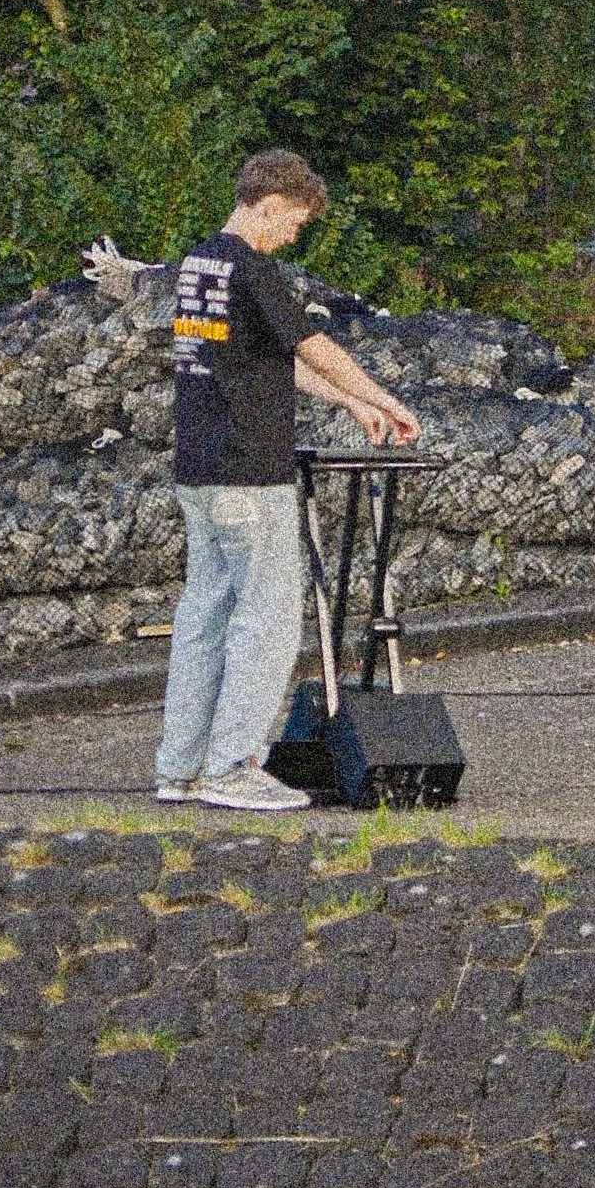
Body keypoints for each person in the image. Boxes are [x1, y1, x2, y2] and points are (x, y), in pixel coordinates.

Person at [155, 150, 419, 813]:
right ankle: (233, 767)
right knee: (267, 625)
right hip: (249, 471)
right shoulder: (252, 267)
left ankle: (180, 769)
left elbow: (260, 362)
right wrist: (383, 397)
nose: (293, 236)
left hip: (200, 470)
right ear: (270, 204)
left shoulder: (199, 265)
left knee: (204, 619)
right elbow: (311, 346)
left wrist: (349, 405)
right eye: (294, 224)